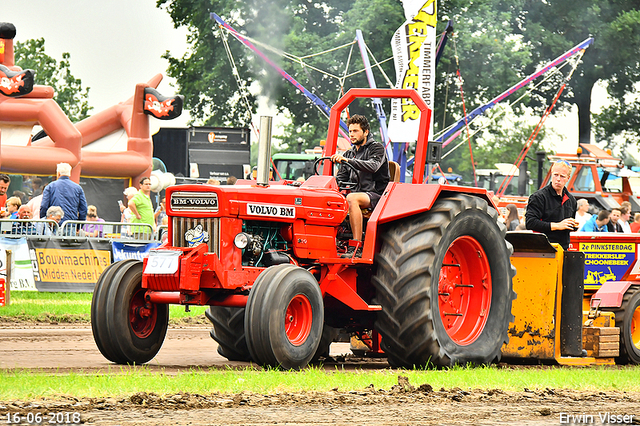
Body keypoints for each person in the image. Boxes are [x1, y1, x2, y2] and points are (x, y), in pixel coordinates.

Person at [330, 114, 389, 258]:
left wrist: (348, 160)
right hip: (357, 193)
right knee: (331, 198)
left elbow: (373, 166)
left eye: (355, 131)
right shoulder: (350, 153)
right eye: (350, 131)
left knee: (352, 198)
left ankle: (356, 245)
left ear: (366, 132)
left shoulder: (377, 148)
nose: (351, 134)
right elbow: (340, 179)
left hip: (376, 194)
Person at [525, 160, 577, 250]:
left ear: (568, 178)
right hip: (543, 249)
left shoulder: (571, 200)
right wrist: (557, 225)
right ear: (551, 175)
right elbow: (530, 223)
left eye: (562, 176)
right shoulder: (538, 197)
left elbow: (566, 227)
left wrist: (573, 226)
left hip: (563, 250)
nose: (558, 179)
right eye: (555, 175)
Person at [40, 163, 87, 227]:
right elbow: (83, 209)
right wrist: (79, 226)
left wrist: (44, 222)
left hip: (54, 225)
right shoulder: (78, 188)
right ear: (69, 174)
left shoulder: (50, 187)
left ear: (58, 173)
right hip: (70, 225)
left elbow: (44, 206)